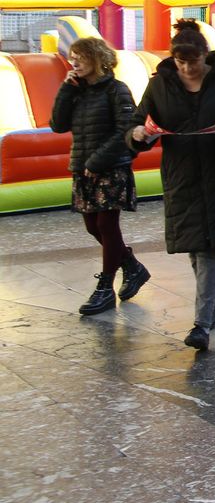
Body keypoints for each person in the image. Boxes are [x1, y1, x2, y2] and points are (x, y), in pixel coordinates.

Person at [127, 19, 215, 352]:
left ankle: (200, 324)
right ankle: (213, 305)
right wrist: (137, 135)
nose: (187, 68)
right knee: (195, 246)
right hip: (181, 177)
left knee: (208, 249)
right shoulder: (161, 84)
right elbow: (138, 121)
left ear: (207, 55)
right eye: (180, 62)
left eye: (193, 61)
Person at [51, 36, 146, 317]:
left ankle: (105, 288)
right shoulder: (77, 90)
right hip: (82, 167)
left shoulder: (117, 90)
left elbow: (124, 130)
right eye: (72, 57)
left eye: (80, 56)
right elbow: (57, 125)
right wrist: (66, 90)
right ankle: (132, 266)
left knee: (106, 224)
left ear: (97, 58)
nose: (75, 62)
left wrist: (98, 161)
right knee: (92, 227)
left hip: (111, 167)